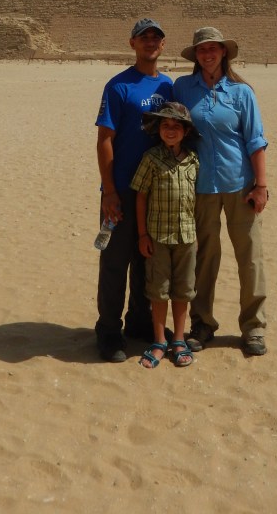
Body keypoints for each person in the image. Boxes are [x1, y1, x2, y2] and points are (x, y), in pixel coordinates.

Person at [173, 26, 269, 356]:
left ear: (224, 52)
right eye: (202, 50)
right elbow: (173, 131)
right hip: (201, 187)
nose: (208, 54)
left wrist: (261, 185)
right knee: (204, 259)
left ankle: (253, 326)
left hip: (240, 185)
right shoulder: (183, 88)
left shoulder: (243, 93)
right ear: (195, 55)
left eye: (213, 48)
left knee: (250, 258)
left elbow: (256, 141)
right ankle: (203, 323)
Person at [95, 19, 173, 362]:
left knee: (148, 261)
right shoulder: (118, 86)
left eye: (156, 37)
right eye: (144, 37)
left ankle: (140, 323)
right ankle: (109, 332)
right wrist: (109, 191)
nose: (150, 42)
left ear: (163, 45)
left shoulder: (169, 87)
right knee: (114, 262)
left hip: (156, 191)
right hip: (122, 190)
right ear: (132, 43)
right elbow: (104, 140)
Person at [131, 103, 200, 369]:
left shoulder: (193, 160)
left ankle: (179, 339)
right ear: (158, 130)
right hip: (158, 237)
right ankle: (159, 340)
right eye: (165, 126)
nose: (170, 131)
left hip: (187, 237)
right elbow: (141, 196)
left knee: (183, 290)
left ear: (185, 132)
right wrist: (142, 235)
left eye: (176, 126)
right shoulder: (151, 158)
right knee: (158, 291)